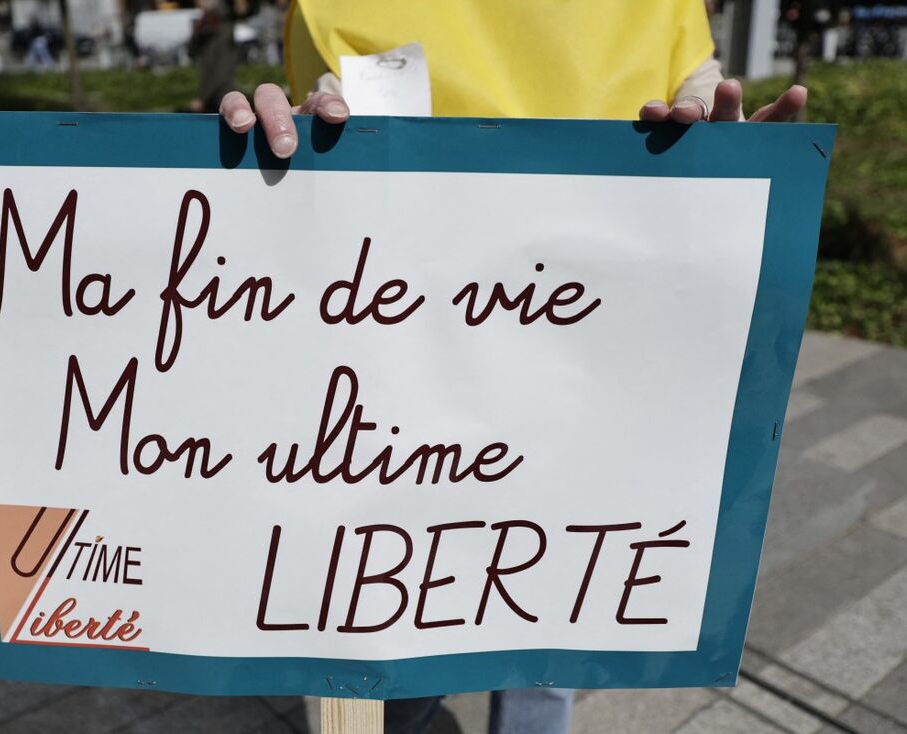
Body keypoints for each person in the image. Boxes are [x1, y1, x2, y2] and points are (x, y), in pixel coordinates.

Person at [211, 2, 807, 731]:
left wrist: (737, 171)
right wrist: (264, 154)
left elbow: (701, 95)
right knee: (410, 647)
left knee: (535, 624)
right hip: (409, 367)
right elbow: (322, 134)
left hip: (582, 361)